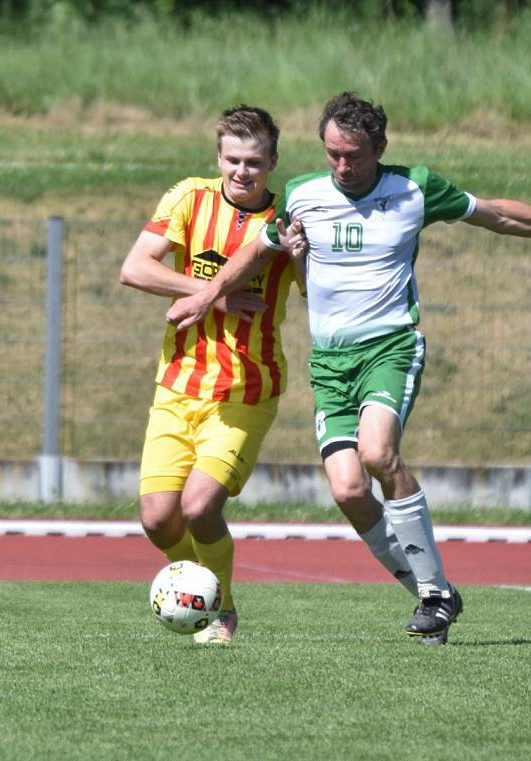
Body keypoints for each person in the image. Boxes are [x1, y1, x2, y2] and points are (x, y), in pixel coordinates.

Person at [166, 92, 531, 645]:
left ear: (380, 148)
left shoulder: (414, 188)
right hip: (330, 362)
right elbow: (257, 247)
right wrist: (208, 294)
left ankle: (434, 595)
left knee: (377, 453)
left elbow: (500, 214)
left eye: (354, 155)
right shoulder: (302, 194)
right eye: (333, 153)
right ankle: (430, 590)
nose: (342, 166)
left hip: (389, 347)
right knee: (346, 489)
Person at [119, 105, 305, 645]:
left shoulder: (287, 220)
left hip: (246, 389)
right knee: (158, 520)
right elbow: (134, 268)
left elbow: (316, 288)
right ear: (217, 157)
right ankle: (191, 587)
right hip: (177, 383)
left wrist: (304, 256)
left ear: (273, 161)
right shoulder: (188, 198)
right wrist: (211, 295)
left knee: (199, 506)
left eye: (254, 161)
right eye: (232, 159)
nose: (241, 171)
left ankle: (219, 610)